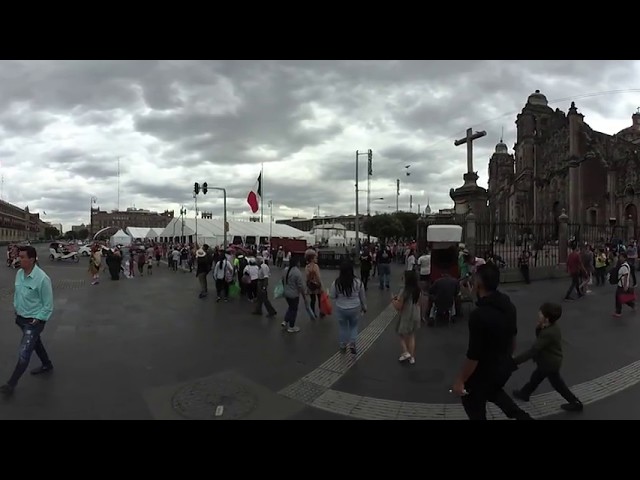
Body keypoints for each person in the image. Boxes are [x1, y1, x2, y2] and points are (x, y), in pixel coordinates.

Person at [452, 263, 532, 420]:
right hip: (503, 366)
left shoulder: (479, 316)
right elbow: (512, 338)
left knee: (472, 402)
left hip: (482, 372)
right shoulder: (508, 305)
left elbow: (473, 355)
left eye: (475, 280)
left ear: (480, 284)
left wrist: (460, 380)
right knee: (495, 392)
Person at [1, 246, 54, 396]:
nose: (19, 259)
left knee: (25, 352)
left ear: (32, 259)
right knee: (36, 343)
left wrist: (37, 320)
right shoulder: (19, 273)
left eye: (23, 257)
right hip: (21, 318)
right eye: (19, 256)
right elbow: (18, 293)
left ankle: (11, 384)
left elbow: (48, 305)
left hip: (33, 321)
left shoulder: (43, 279)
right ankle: (47, 364)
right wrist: (16, 307)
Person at [512, 302, 583, 412]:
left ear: (547, 318)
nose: (538, 314)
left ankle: (575, 403)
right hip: (548, 362)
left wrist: (515, 361)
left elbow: (534, 350)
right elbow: (540, 339)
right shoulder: (551, 327)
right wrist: (540, 327)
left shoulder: (549, 332)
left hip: (549, 364)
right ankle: (524, 393)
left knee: (557, 384)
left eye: (540, 313)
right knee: (536, 378)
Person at [330, 262, 367, 354]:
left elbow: (332, 296)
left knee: (343, 327)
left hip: (341, 308)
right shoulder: (358, 282)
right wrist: (364, 306)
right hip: (355, 307)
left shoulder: (336, 283)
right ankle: (352, 343)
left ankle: (342, 345)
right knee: (353, 326)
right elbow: (362, 296)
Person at [392, 270, 421, 364]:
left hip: (406, 315)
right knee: (411, 335)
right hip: (415, 314)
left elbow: (398, 307)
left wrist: (393, 300)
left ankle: (405, 352)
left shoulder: (404, 291)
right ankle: (412, 358)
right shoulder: (418, 290)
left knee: (400, 333)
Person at [283, 257, 306, 333]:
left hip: (286, 292)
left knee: (290, 307)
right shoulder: (297, 272)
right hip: (294, 294)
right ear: (297, 263)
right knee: (294, 310)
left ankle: (285, 321)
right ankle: (291, 326)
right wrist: (304, 296)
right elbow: (300, 286)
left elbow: (283, 280)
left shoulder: (286, 270)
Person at [613, 251, 635, 317]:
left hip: (622, 285)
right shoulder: (624, 265)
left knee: (619, 298)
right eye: (620, 257)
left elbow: (625, 276)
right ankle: (632, 305)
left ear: (625, 258)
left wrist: (625, 286)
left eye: (621, 257)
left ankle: (618, 312)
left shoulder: (624, 266)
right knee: (623, 298)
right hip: (622, 284)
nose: (620, 258)